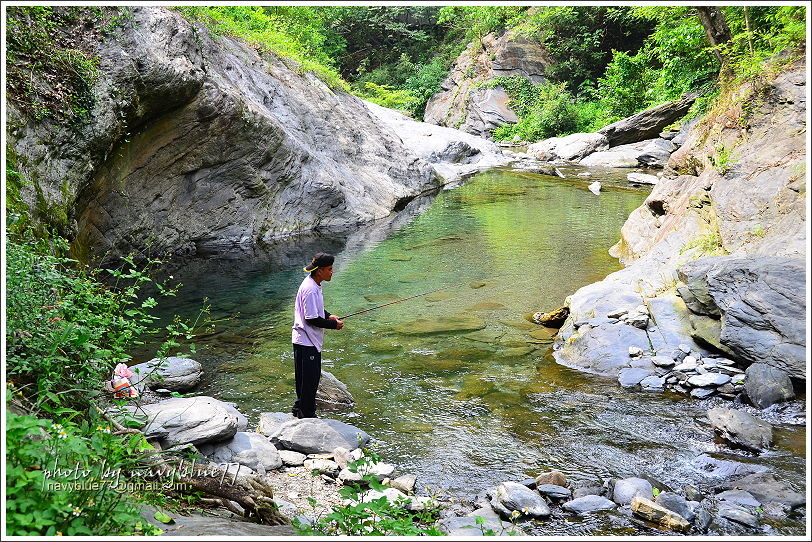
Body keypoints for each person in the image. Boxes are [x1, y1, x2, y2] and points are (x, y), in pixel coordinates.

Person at [291, 252, 344, 418]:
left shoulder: (312, 284)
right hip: (307, 342)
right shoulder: (311, 289)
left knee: (304, 380)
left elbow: (315, 310)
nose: (332, 272)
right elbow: (312, 318)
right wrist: (333, 325)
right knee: (310, 382)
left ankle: (299, 409)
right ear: (319, 270)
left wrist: (328, 316)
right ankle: (307, 415)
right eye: (329, 269)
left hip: (303, 340)